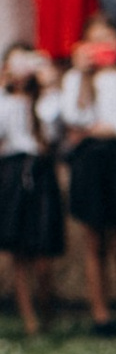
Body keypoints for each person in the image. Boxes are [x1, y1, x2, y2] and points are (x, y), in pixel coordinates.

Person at [54, 24, 116, 330]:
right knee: (95, 240)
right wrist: (81, 75)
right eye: (94, 42)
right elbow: (73, 115)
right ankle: (100, 314)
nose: (101, 46)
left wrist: (113, 127)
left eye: (107, 39)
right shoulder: (75, 78)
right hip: (90, 159)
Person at [0, 42, 64, 333]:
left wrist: (48, 85)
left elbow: (52, 132)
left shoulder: (45, 101)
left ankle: (48, 308)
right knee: (19, 249)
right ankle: (29, 319)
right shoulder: (5, 100)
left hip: (41, 171)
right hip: (12, 171)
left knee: (43, 250)